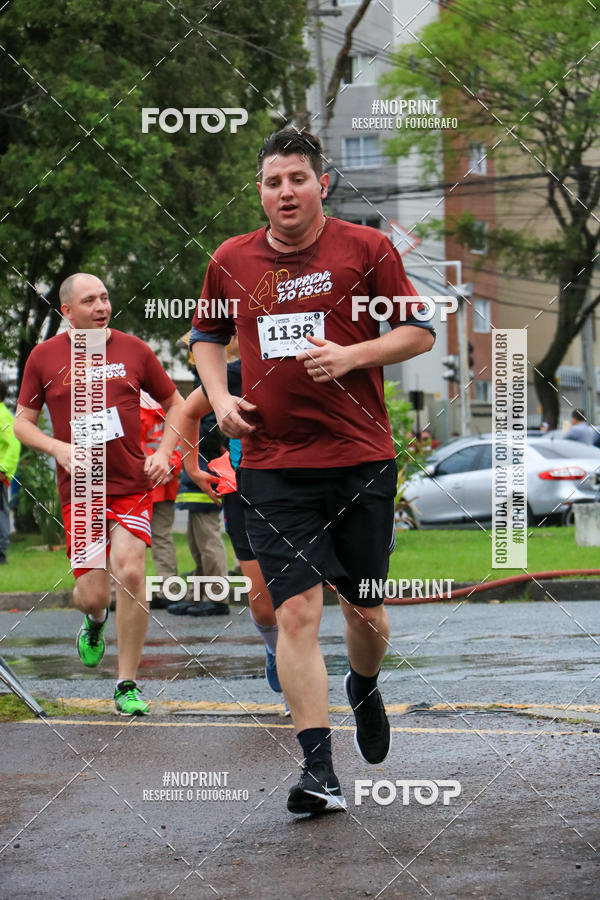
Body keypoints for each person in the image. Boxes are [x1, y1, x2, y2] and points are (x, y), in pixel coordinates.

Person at [190, 129, 435, 814]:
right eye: (273, 181)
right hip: (272, 464)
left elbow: (418, 331)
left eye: (297, 178)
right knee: (295, 609)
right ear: (260, 191)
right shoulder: (232, 259)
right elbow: (206, 338)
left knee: (365, 608)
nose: (286, 191)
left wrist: (353, 356)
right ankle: (319, 770)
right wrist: (220, 400)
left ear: (321, 184)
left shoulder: (368, 249)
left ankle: (365, 685)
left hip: (359, 459)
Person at [15, 273, 183, 715]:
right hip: (82, 489)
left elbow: (177, 404)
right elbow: (22, 424)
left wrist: (164, 452)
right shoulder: (44, 357)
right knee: (92, 595)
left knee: (131, 572)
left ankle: (127, 684)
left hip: (130, 484)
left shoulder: (134, 350)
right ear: (67, 311)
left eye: (105, 297)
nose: (101, 306)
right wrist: (58, 448)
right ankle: (94, 621)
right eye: (90, 300)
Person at [180, 356, 284, 697]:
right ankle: (274, 650)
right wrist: (193, 467)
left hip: (302, 490)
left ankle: (295, 681)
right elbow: (188, 412)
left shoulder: (314, 362)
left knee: (299, 604)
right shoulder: (235, 373)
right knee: (264, 607)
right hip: (245, 493)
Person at [140, 391, 183, 609]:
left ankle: (121, 593)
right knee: (162, 537)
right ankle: (169, 590)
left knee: (129, 539)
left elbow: (131, 448)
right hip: (165, 484)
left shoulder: (133, 410)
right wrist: (170, 468)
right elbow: (179, 445)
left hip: (138, 486)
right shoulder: (170, 409)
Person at [0, 381, 21, 564]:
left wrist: (3, 469)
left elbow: (14, 445)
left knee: (1, 512)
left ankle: (1, 553)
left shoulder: (3, 415)